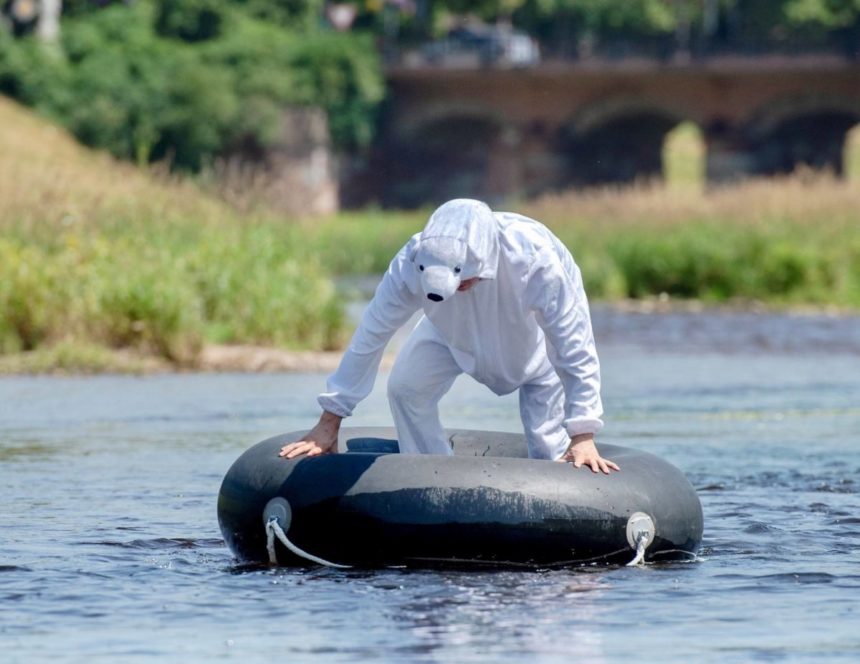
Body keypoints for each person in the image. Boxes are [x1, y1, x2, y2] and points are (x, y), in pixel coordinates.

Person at [280, 198, 619, 474]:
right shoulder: (409, 262)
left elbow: (574, 344)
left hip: (533, 341)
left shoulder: (535, 258)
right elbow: (371, 335)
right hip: (447, 331)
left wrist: (583, 433)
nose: (462, 289)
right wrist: (330, 419)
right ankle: (429, 475)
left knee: (550, 449)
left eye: (467, 281)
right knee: (405, 388)